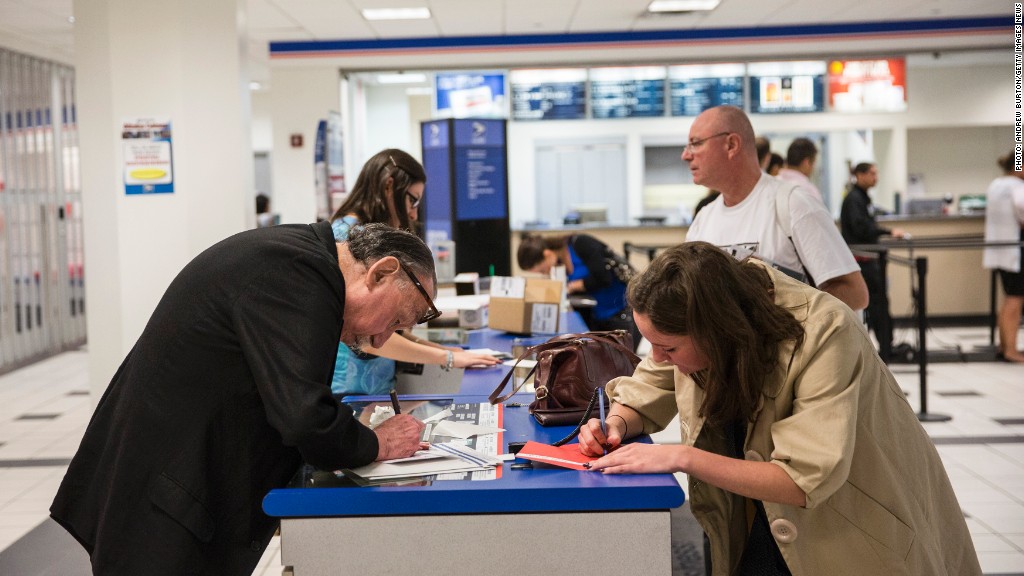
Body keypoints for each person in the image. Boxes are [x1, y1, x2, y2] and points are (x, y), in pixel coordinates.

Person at [51, 222, 434, 575]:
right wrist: (377, 443)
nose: (383, 340)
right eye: (397, 319)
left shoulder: (297, 257)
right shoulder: (301, 273)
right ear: (380, 272)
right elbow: (304, 416)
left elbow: (290, 392)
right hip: (163, 503)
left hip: (168, 483)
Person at [578, 242, 981, 576]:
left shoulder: (825, 330)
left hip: (846, 528)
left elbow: (801, 480)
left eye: (668, 348)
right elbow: (651, 381)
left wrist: (680, 457)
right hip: (760, 518)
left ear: (718, 332)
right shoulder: (703, 320)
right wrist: (614, 422)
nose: (658, 357)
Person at [329, 149, 499, 395]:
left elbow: (387, 329)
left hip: (375, 385)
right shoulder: (346, 240)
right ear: (389, 186)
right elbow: (369, 336)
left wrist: (449, 352)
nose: (413, 213)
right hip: (349, 389)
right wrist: (446, 358)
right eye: (413, 200)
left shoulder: (369, 236)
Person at [683, 105, 868, 311]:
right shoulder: (703, 221)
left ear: (731, 144)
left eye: (695, 144)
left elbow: (855, 293)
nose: (686, 155)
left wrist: (773, 313)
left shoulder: (794, 203)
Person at [517, 233, 641, 350]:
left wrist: (575, 286)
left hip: (623, 313)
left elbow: (604, 278)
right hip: (599, 318)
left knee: (624, 364)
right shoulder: (560, 264)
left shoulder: (581, 244)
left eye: (542, 270)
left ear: (548, 254)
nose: (545, 273)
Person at [840, 162, 907, 363]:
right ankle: (885, 348)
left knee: (879, 303)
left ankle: (886, 345)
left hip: (868, 259)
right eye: (871, 173)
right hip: (862, 260)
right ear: (859, 175)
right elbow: (861, 228)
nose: (875, 177)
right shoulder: (854, 199)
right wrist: (885, 231)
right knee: (876, 303)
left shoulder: (862, 198)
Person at [983, 150, 1024, 363]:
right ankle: (1011, 350)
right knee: (1015, 301)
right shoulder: (1017, 187)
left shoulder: (997, 184)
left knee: (1009, 299)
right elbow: (1021, 208)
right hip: (1014, 250)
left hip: (999, 250)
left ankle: (1004, 346)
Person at [775, 137, 823, 203]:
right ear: (806, 163)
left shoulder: (772, 184)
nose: (813, 168)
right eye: (813, 163)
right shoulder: (809, 191)